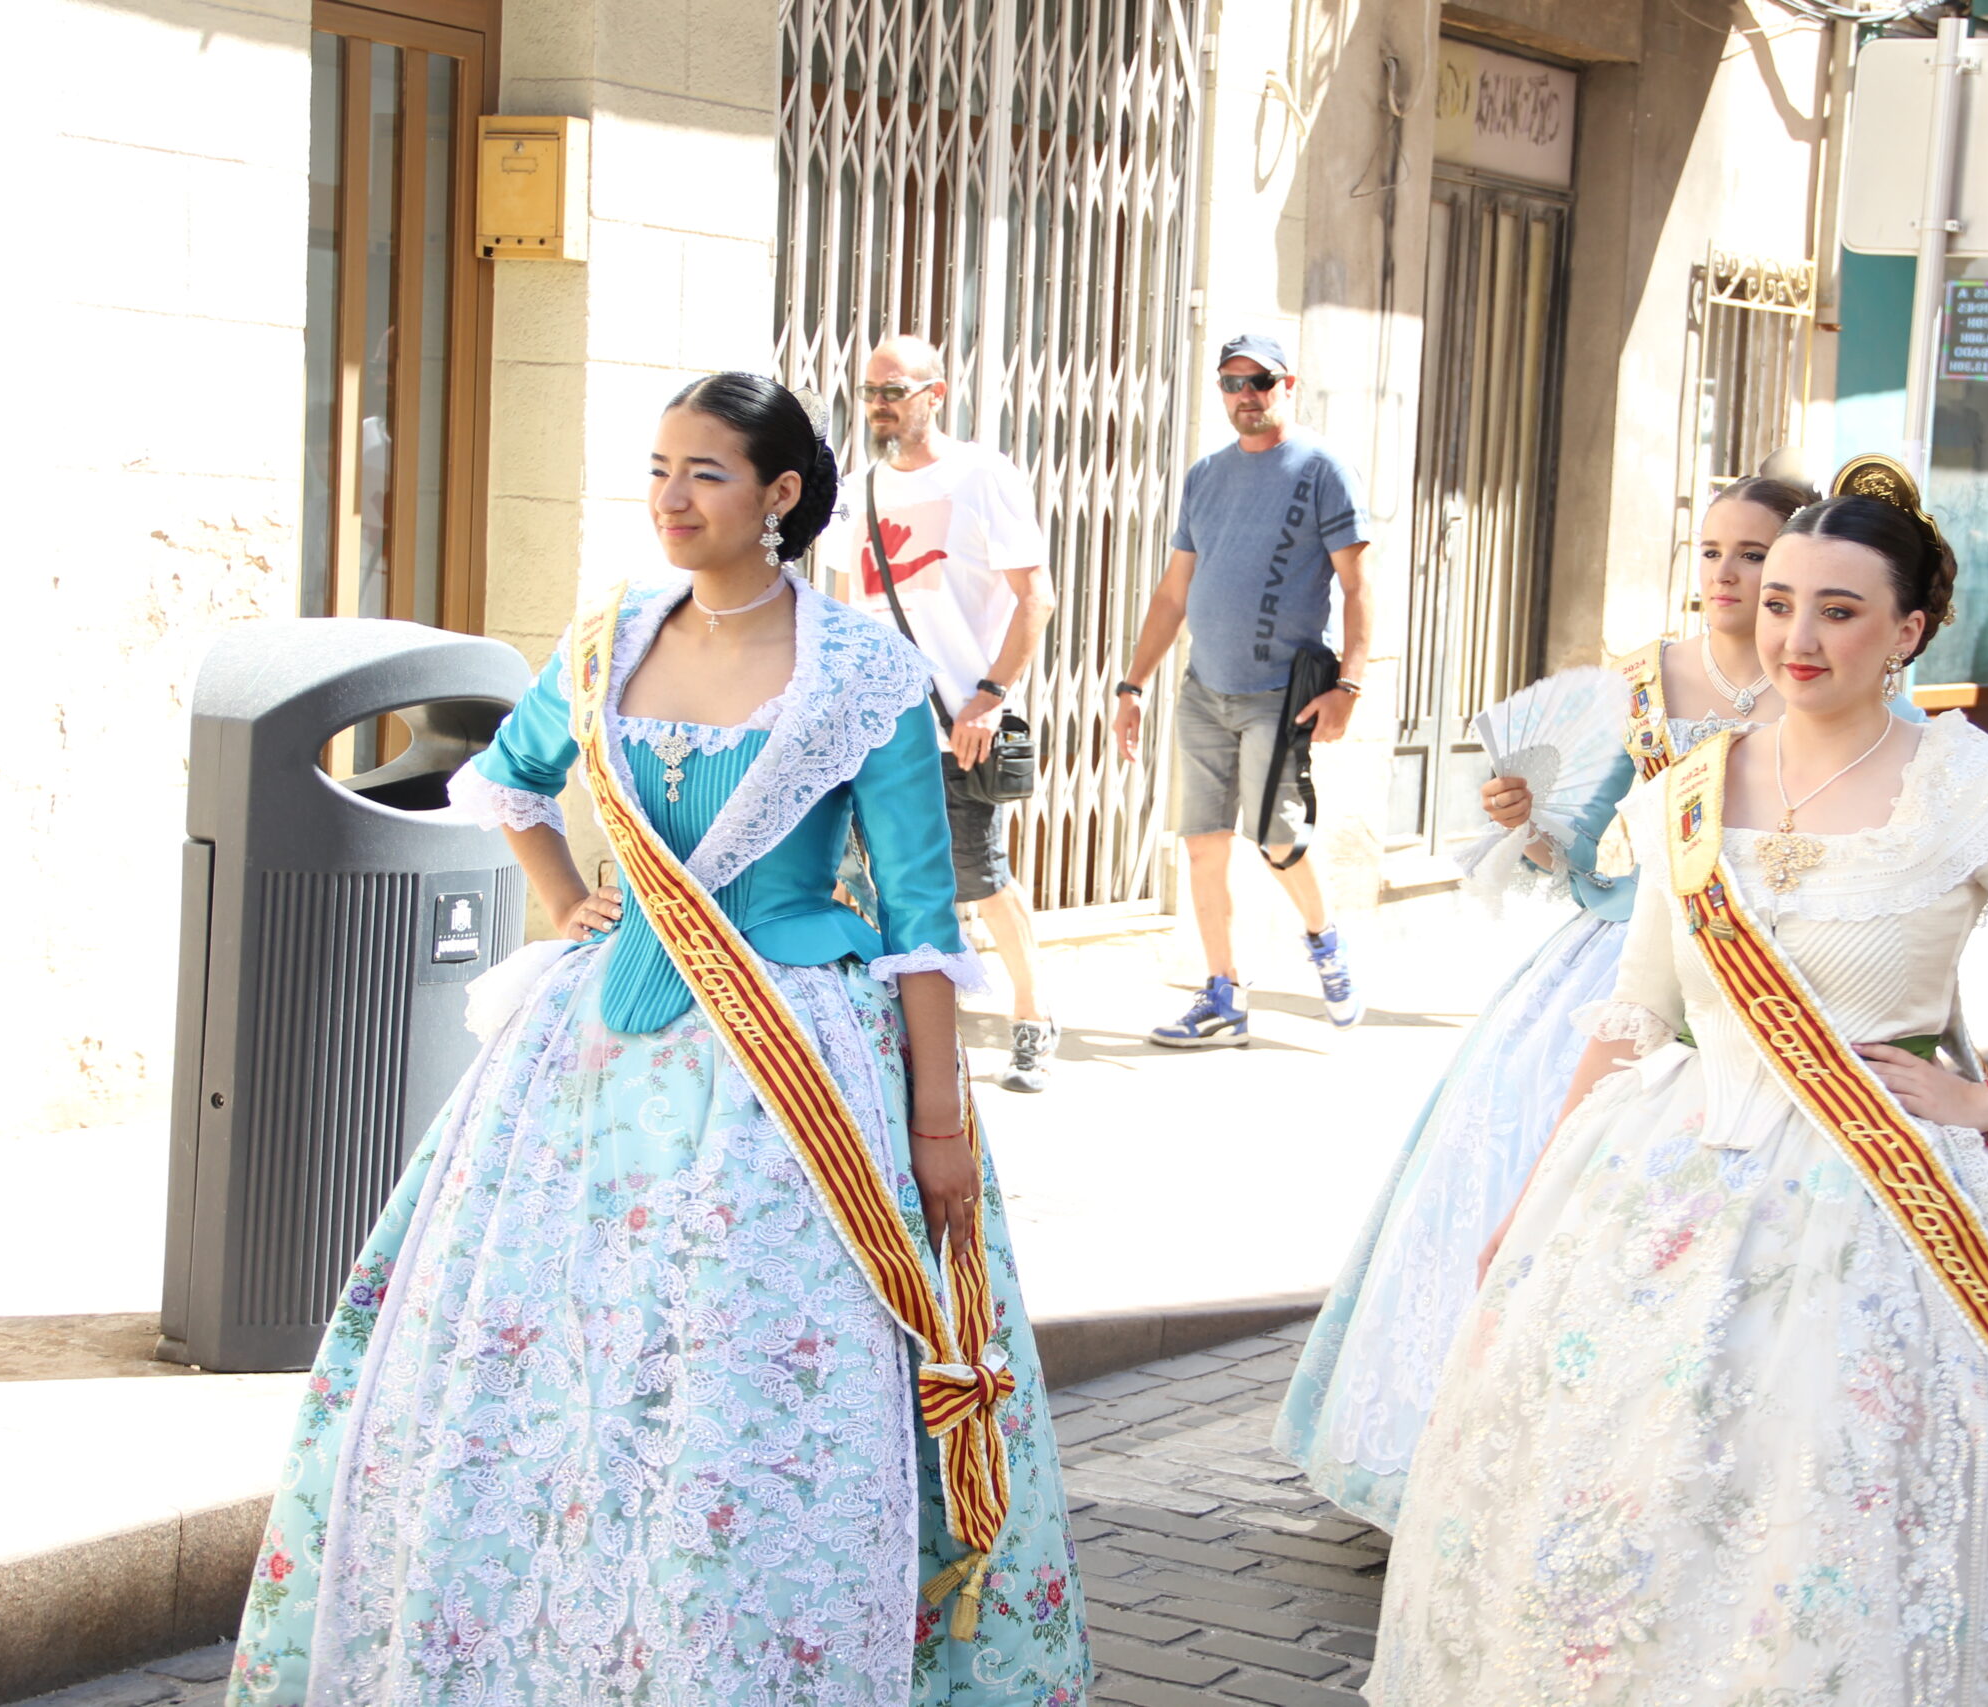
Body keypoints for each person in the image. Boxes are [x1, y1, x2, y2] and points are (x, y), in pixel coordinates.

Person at [1371, 458, 1988, 1703]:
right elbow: (1639, 1016)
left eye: (1837, 608)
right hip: (1671, 1191)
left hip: (1897, 1209)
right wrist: (1537, 1196)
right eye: (1778, 602)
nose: (1797, 635)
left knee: (1856, 1498)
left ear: (1907, 630)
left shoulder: (1961, 783)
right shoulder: (1688, 791)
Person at [225, 374, 1088, 1706]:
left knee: (745, 1373)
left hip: (794, 1065)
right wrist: (569, 902)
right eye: (661, 467)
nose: (673, 498)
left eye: (708, 473)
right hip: (590, 1059)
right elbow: (504, 779)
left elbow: (921, 919)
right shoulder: (610, 637)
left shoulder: (864, 669)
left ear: (782, 494)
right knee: (562, 1357)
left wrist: (936, 1127)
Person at [1272, 477, 1812, 1529]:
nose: (1726, 574)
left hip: (1762, 973)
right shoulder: (1646, 680)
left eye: (1752, 554)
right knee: (1515, 1172)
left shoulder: (1814, 679)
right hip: (1619, 956)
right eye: (1710, 551)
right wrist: (1527, 820)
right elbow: (1580, 846)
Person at [1111, 332, 1372, 1045]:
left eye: (1258, 380)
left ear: (1288, 382)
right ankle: (1223, 994)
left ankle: (1325, 940)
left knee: (1278, 840)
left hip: (1277, 694)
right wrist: (1131, 684)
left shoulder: (1322, 470)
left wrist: (1350, 681)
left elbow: (1357, 585)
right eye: (1231, 382)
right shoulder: (1205, 475)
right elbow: (1172, 593)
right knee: (1202, 843)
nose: (1245, 395)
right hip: (1205, 690)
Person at [824, 335, 1064, 1093]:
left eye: (893, 390)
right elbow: (842, 605)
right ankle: (906, 1031)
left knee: (978, 875)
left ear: (936, 392)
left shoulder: (982, 476)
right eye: (869, 392)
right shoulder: (856, 488)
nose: (879, 405)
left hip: (956, 722)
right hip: (873, 725)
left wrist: (989, 697)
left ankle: (1033, 1015)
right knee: (871, 878)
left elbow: (1036, 600)